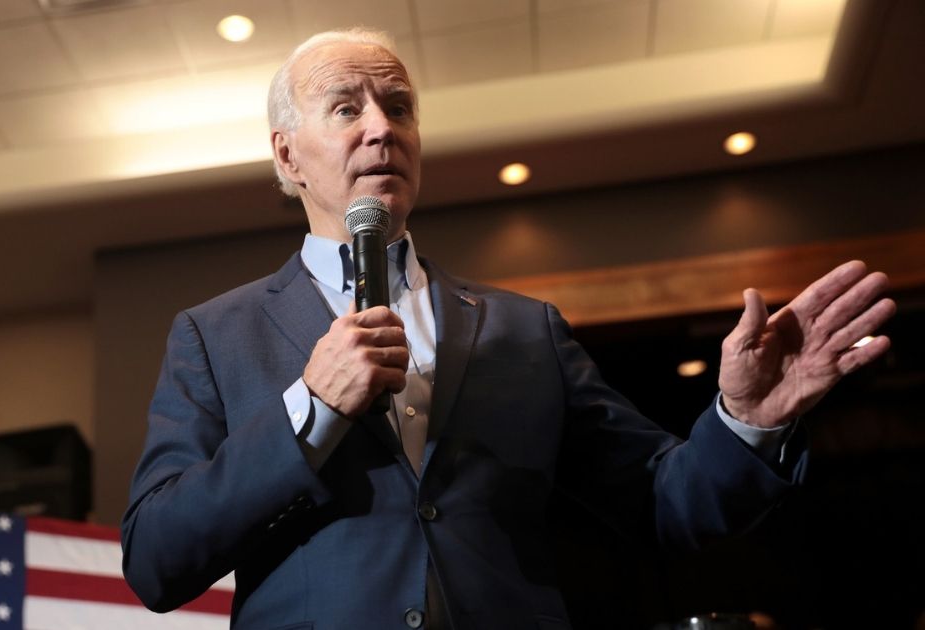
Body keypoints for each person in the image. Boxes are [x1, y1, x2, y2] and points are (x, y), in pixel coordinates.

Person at [119, 29, 896, 629]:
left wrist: (748, 423)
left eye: (400, 107)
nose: (382, 129)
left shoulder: (526, 331)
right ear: (288, 157)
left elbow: (664, 504)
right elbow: (157, 560)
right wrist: (311, 410)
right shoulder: (215, 335)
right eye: (347, 108)